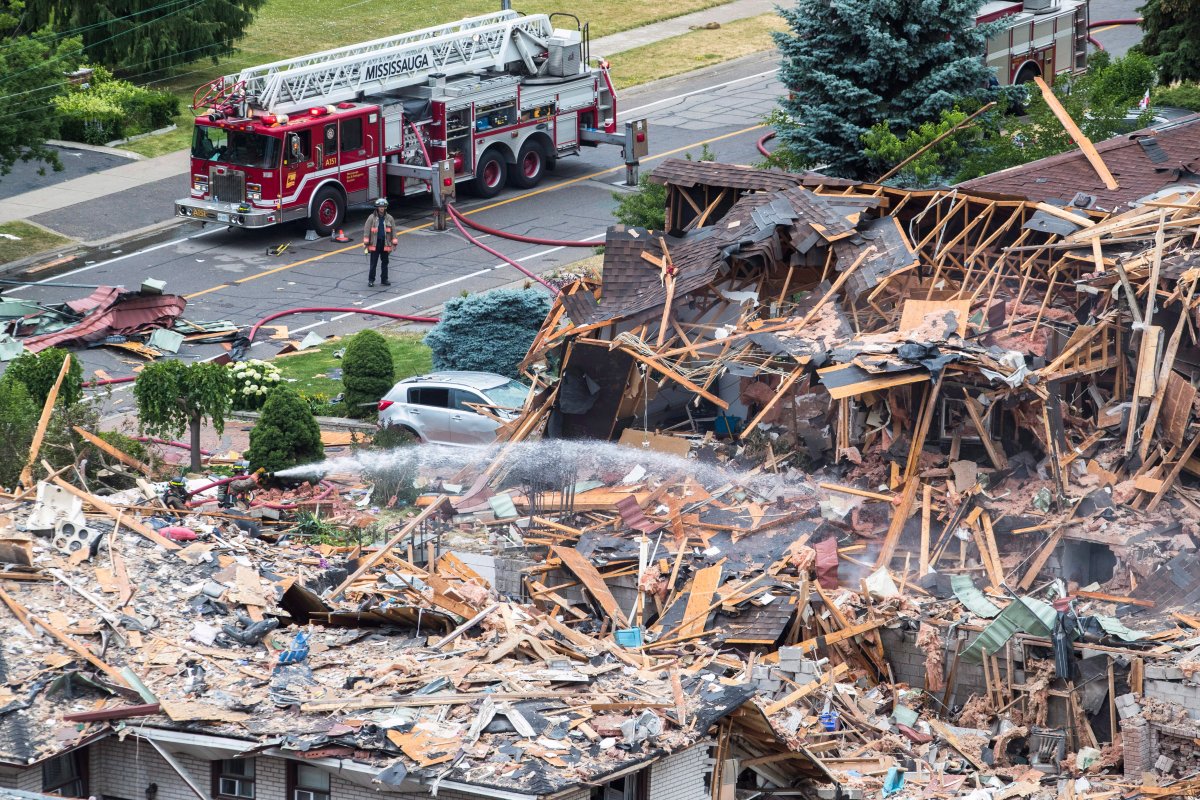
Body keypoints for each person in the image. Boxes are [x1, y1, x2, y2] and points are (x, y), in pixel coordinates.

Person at [362, 198, 398, 287]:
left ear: (385, 207)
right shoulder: (371, 218)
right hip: (375, 244)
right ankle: (371, 280)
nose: (382, 208)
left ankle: (384, 279)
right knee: (373, 263)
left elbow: (394, 231)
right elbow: (366, 231)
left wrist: (394, 243)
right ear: (377, 207)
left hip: (385, 244)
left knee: (385, 262)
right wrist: (366, 244)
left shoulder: (389, 218)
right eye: (380, 206)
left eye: (383, 206)